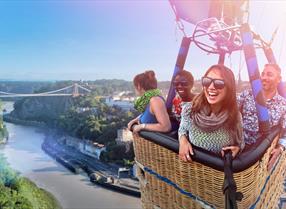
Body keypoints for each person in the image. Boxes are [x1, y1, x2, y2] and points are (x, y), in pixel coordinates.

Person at [178, 64, 244, 162]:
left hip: (217, 175)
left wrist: (237, 149)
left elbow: (240, 142)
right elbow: (182, 129)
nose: (211, 87)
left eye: (219, 83)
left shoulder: (234, 116)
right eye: (207, 81)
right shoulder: (190, 109)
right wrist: (183, 141)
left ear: (229, 88)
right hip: (192, 172)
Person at [237, 63, 286, 170]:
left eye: (269, 74)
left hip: (260, 154)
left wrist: (281, 147)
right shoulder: (247, 94)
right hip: (237, 146)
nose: (264, 77)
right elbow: (228, 108)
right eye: (262, 74)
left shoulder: (283, 104)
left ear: (278, 79)